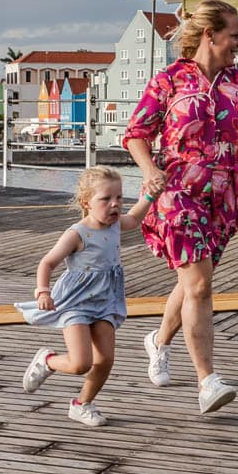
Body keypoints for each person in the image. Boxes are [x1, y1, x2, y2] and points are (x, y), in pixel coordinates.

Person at [123, 0, 238, 414]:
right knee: (199, 284)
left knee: (193, 281)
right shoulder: (170, 81)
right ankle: (207, 382)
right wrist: (147, 169)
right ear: (210, 35)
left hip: (223, 197)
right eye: (234, 35)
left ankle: (158, 342)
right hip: (177, 193)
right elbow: (136, 133)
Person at [18, 166, 156, 427]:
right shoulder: (77, 234)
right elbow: (47, 263)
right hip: (76, 303)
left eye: (119, 197)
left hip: (105, 301)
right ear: (86, 202)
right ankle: (48, 361)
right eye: (106, 199)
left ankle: (82, 404)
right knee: (81, 363)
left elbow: (135, 218)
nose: (115, 204)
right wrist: (43, 291)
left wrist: (149, 196)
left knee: (105, 360)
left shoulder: (115, 225)